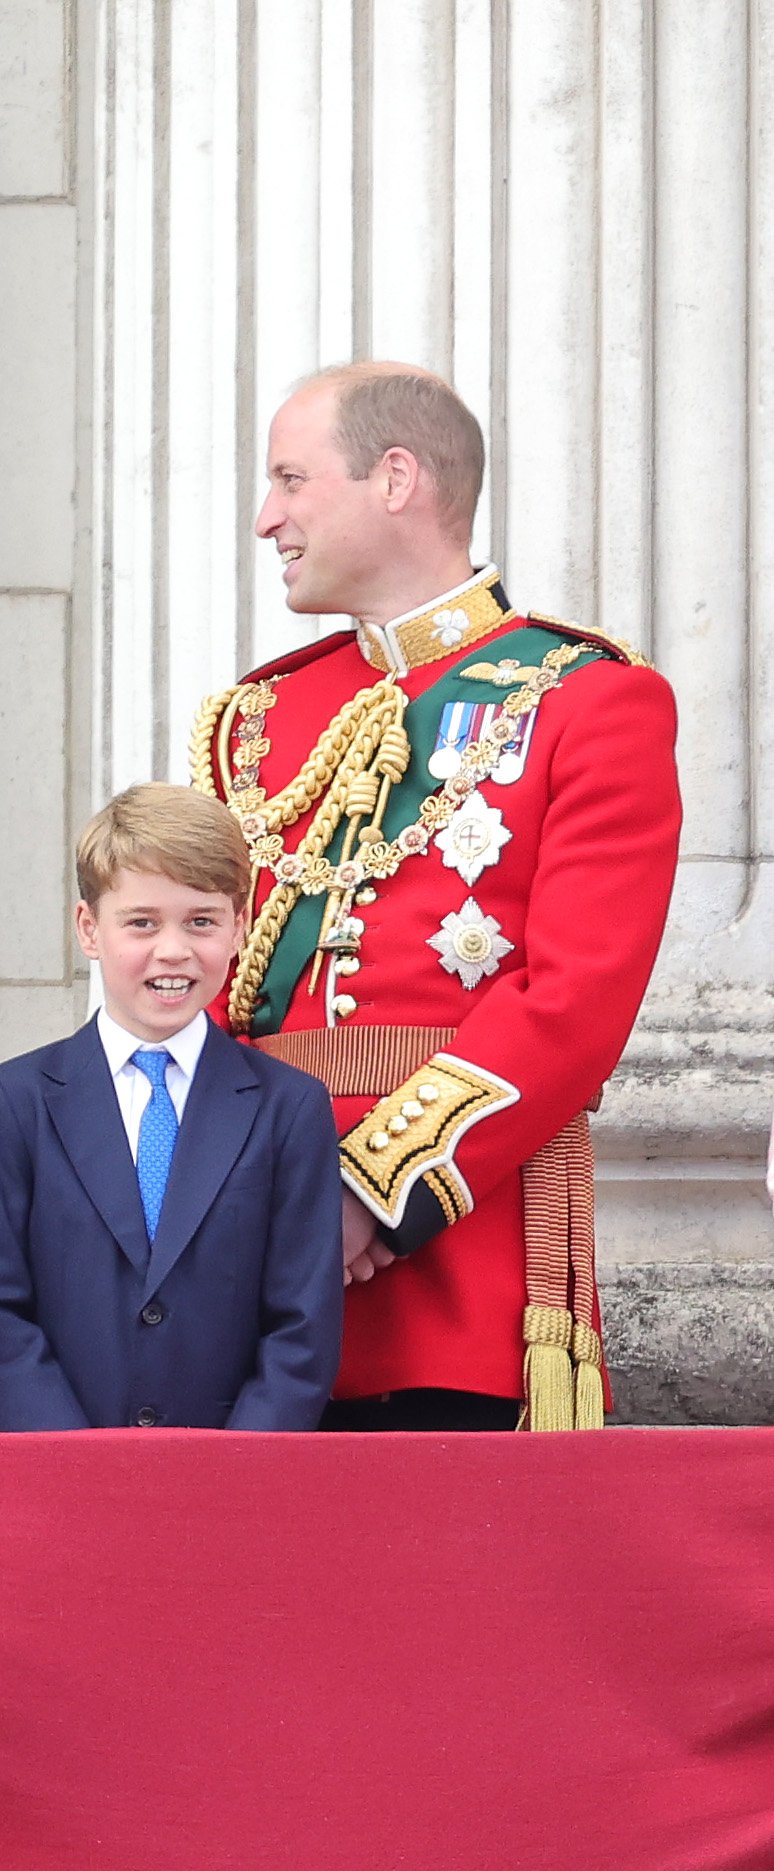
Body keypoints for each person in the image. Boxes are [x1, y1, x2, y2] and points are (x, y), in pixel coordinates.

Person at [194, 362, 680, 1429]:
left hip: (457, 1256)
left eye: (290, 479)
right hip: (247, 1242)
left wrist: (371, 1192)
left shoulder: (587, 700)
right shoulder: (258, 720)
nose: (266, 516)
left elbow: (574, 1001)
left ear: (397, 478)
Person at [0, 787, 344, 1431]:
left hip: (228, 1479)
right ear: (89, 929)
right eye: (142, 922)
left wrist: (236, 1467)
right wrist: (73, 1461)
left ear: (240, 926)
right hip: (50, 1473)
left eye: (201, 921)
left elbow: (302, 1321)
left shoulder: (289, 1107)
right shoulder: (13, 1099)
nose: (173, 950)